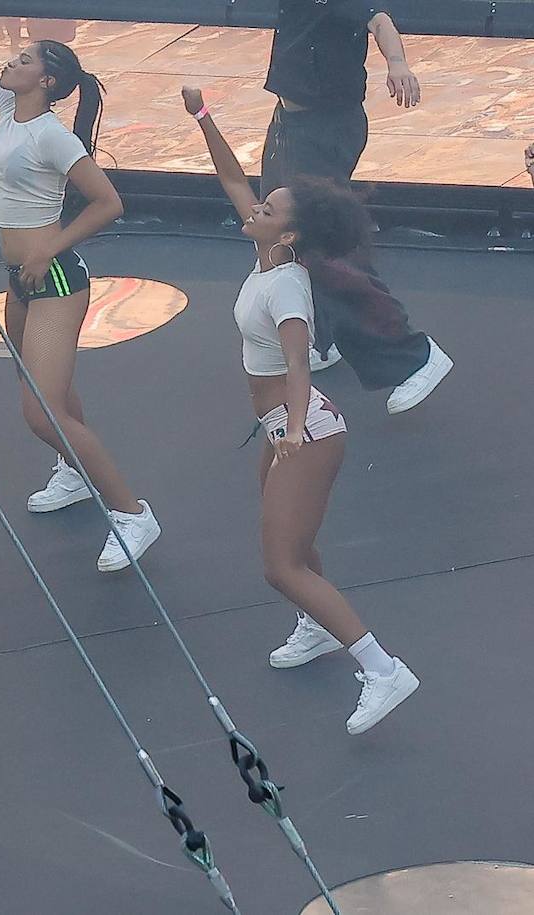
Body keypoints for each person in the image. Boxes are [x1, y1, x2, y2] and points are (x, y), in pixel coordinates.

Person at [184, 86, 419, 734]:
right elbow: (233, 175)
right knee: (296, 544)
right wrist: (203, 116)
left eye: (268, 206)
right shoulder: (267, 253)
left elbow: (297, 365)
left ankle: (382, 667)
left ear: (286, 231)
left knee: (281, 563)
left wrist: (288, 430)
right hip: (284, 426)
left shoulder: (286, 285)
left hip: (304, 429)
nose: (255, 204)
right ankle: (317, 626)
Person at [0, 0, 160, 571]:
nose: (11, 60)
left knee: (41, 413)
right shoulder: (8, 108)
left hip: (54, 278)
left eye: (25, 58)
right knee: (46, 394)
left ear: (48, 80)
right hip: (21, 276)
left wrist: (48, 247)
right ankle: (74, 472)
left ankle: (132, 513)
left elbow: (109, 203)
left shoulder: (54, 138)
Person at [263, 0, 452, 414]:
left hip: (326, 127)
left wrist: (398, 63)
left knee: (326, 246)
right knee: (280, 233)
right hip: (291, 125)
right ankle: (325, 338)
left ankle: (412, 356)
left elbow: (379, 19)